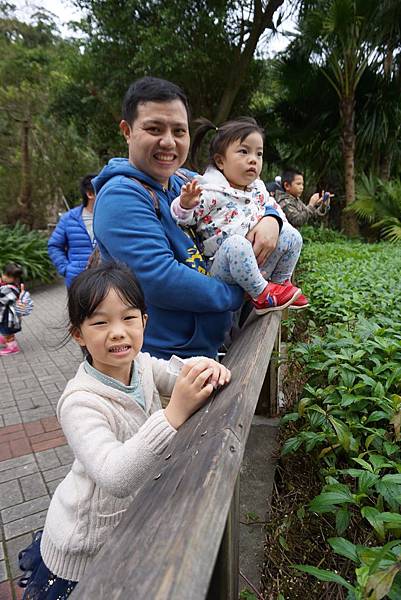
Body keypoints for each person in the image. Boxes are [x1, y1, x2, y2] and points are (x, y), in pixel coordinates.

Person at [18, 262, 230, 599]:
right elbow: (115, 476)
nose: (117, 332)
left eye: (129, 318)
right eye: (100, 322)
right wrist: (173, 414)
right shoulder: (80, 402)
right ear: (78, 334)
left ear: (144, 321)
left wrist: (207, 369)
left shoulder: (141, 364)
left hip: (127, 530)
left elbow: (177, 375)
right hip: (83, 548)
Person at [93, 76, 284, 360]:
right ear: (127, 131)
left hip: (206, 348)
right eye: (154, 128)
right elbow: (161, 279)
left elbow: (247, 194)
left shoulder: (184, 179)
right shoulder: (121, 197)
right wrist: (242, 293)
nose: (168, 142)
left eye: (179, 131)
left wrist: (271, 219)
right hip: (168, 359)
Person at [170, 117, 309, 314]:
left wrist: (273, 221)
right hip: (223, 265)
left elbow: (278, 212)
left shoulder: (257, 188)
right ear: (220, 161)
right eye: (244, 152)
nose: (253, 159)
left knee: (291, 234)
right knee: (237, 243)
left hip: (256, 262)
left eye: (258, 154)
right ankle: (263, 295)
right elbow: (183, 218)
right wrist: (185, 203)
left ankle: (280, 285)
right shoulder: (210, 191)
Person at [48, 173, 98, 287]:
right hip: (77, 282)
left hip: (105, 281)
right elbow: (54, 246)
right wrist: (66, 269)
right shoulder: (69, 218)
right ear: (90, 194)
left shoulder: (109, 217)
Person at [0, 263, 33, 356]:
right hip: (7, 316)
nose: (3, 276)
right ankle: (6, 338)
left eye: (5, 275)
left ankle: (12, 347)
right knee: (6, 330)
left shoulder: (9, 289)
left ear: (12, 278)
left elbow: (2, 299)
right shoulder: (13, 285)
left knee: (7, 331)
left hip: (7, 318)